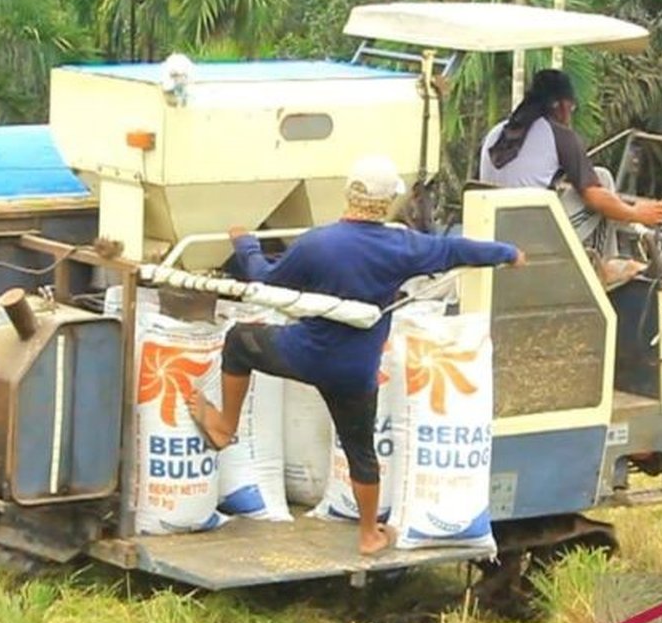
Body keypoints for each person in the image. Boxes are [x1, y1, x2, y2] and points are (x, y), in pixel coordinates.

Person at [186, 155, 524, 556]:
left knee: (241, 341)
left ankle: (224, 425)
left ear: (349, 194)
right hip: (355, 372)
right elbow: (455, 250)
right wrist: (507, 252)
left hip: (305, 354)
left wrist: (246, 244)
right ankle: (368, 535)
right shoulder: (404, 246)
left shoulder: (318, 243)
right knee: (361, 450)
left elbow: (264, 280)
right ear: (388, 203)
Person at [479, 69, 662, 261]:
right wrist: (635, 213)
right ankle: (605, 266)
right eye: (572, 108)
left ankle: (608, 262)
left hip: (488, 230)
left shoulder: (495, 133)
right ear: (561, 106)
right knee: (602, 185)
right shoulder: (559, 135)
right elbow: (595, 197)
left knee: (597, 181)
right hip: (529, 240)